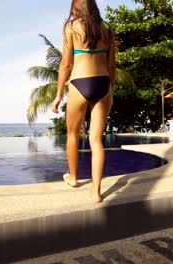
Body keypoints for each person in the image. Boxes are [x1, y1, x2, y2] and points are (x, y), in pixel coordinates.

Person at [51, 0, 115, 203]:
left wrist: (59, 93)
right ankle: (96, 192)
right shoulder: (107, 29)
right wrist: (109, 88)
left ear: (75, 7)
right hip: (103, 83)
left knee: (72, 133)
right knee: (95, 139)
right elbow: (111, 64)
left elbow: (65, 64)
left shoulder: (71, 26)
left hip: (80, 82)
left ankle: (73, 177)